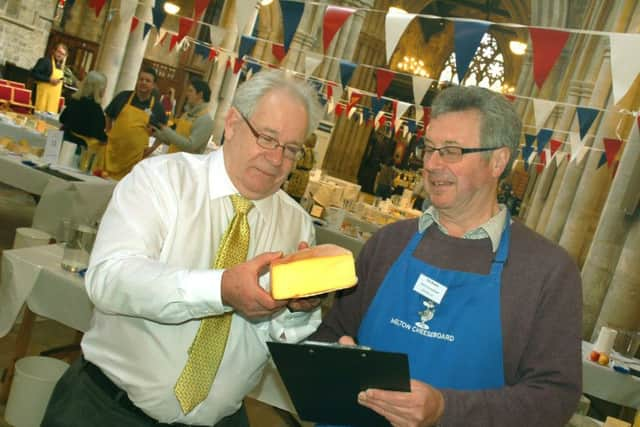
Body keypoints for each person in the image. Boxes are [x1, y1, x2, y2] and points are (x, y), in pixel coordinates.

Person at [42, 70, 325, 427]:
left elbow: (278, 337)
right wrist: (220, 289)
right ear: (234, 123)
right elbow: (110, 279)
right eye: (268, 138)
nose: (276, 159)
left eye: (291, 149)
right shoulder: (160, 180)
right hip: (106, 411)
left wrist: (297, 309)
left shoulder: (296, 224)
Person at [310, 86, 582, 427]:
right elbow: (332, 331)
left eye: (451, 151)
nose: (433, 165)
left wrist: (445, 409)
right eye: (429, 149)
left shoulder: (546, 271)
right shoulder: (389, 242)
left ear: (497, 161)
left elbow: (554, 397)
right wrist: (336, 356)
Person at [103, 65, 167, 180]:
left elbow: (163, 131)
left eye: (147, 81)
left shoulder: (157, 107)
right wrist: (108, 132)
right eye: (141, 79)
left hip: (134, 160)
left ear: (153, 85)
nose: (143, 82)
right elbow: (108, 114)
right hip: (112, 154)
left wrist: (152, 148)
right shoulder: (123, 97)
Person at [148, 78, 214, 155]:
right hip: (172, 160)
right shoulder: (186, 115)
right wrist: (155, 132)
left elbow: (190, 146)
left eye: (190, 91)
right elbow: (174, 140)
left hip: (184, 165)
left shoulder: (205, 120)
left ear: (200, 95)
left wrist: (166, 130)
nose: (187, 94)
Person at [31, 43, 67, 113]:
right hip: (41, 98)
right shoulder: (45, 61)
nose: (60, 55)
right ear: (54, 51)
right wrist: (49, 79)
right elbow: (33, 73)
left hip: (52, 100)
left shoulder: (60, 66)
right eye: (59, 52)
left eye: (62, 54)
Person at [286, 133, 316, 202]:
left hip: (298, 176)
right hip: (305, 176)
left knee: (291, 197)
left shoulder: (304, 150)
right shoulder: (312, 152)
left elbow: (296, 159)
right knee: (297, 198)